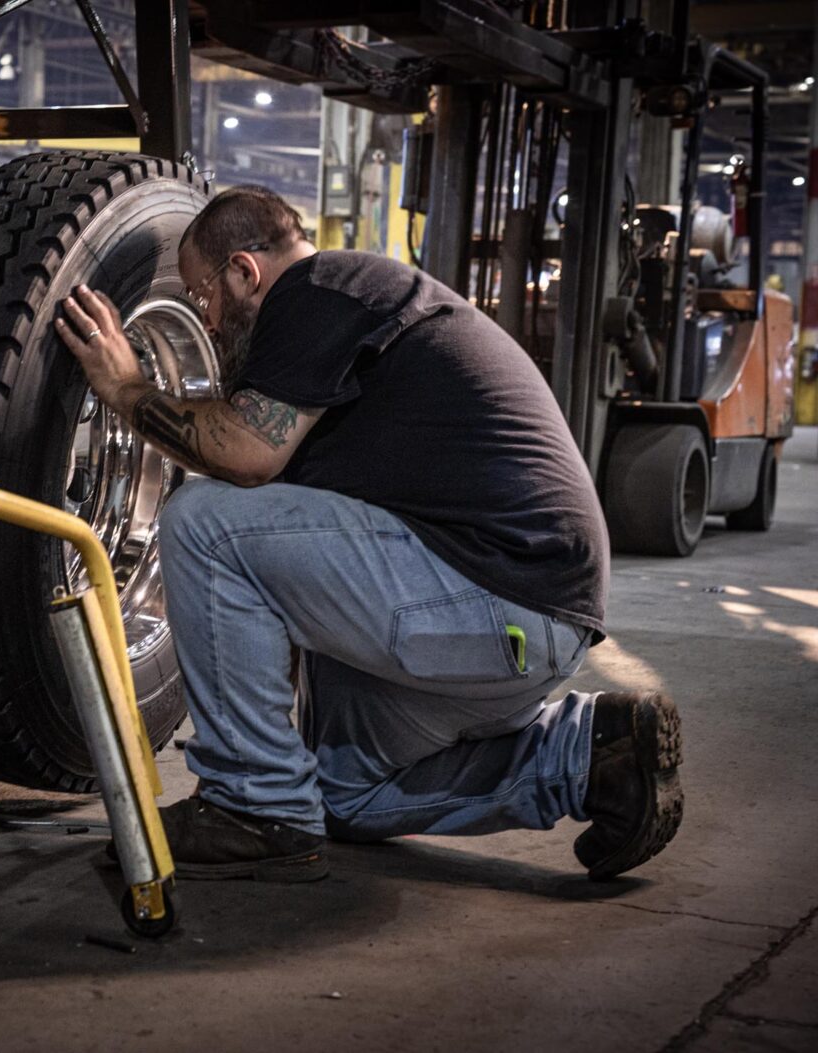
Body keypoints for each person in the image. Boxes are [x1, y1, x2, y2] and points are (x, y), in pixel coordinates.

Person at [52, 186, 681, 883]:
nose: (203, 317)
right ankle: (591, 757)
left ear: (243, 272)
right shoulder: (355, 311)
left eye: (202, 296)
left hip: (494, 592)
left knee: (204, 523)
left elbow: (243, 452)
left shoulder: (318, 289)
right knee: (341, 795)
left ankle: (252, 805)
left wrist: (128, 389)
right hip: (521, 618)